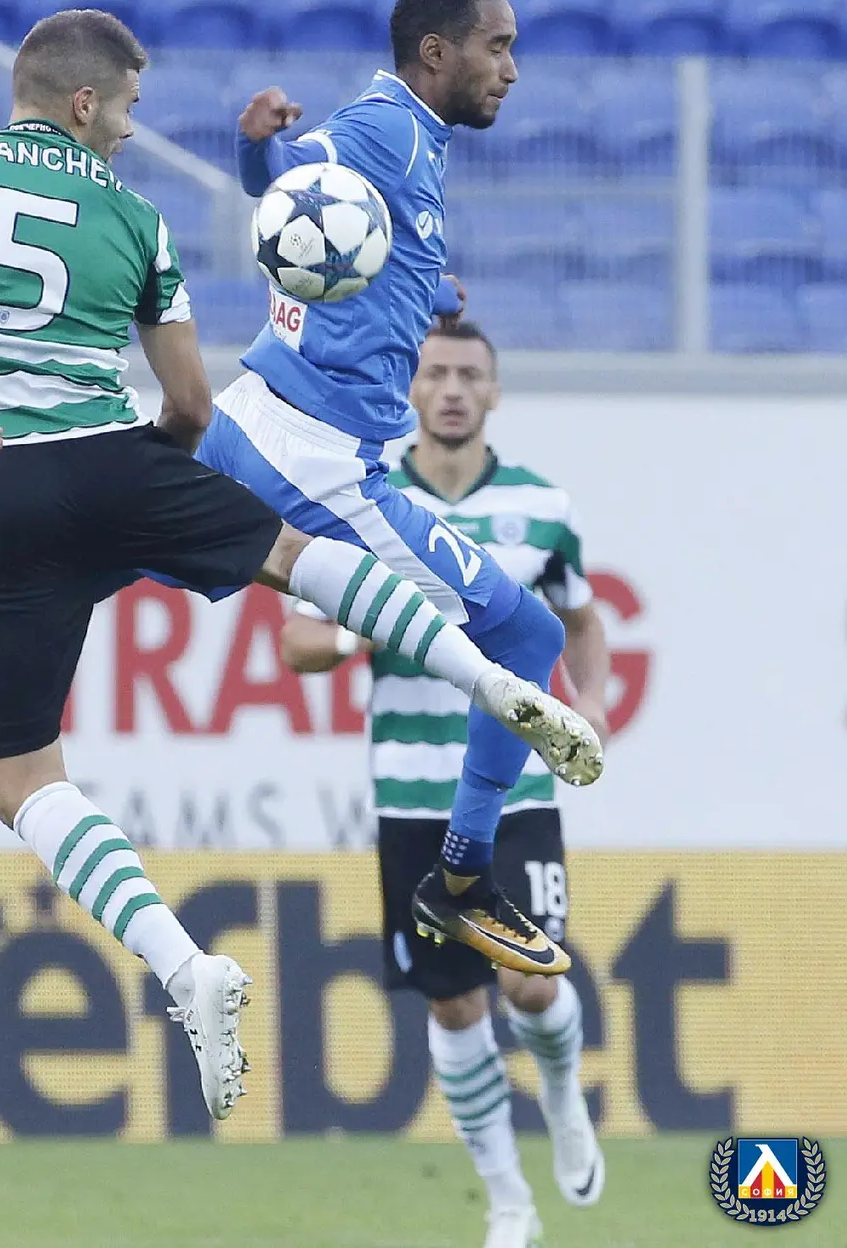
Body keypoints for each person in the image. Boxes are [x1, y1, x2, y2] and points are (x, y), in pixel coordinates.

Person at [0, 10, 597, 1118]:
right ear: (86, 103)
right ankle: (484, 752)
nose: (136, 131)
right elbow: (188, 398)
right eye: (131, 108)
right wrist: (156, 486)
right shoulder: (142, 218)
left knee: (26, 780)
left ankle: (184, 964)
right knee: (308, 561)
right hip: (163, 450)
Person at [280, 311, 609, 1248]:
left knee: (532, 987)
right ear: (410, 389)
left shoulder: (543, 508)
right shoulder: (361, 505)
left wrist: (592, 700)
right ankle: (509, 1201)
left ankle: (561, 1093)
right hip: (410, 794)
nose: (453, 389)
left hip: (517, 796)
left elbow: (580, 620)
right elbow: (298, 640)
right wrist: (358, 629)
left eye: (470, 374)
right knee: (455, 1002)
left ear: (494, 391)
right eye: (436, 374)